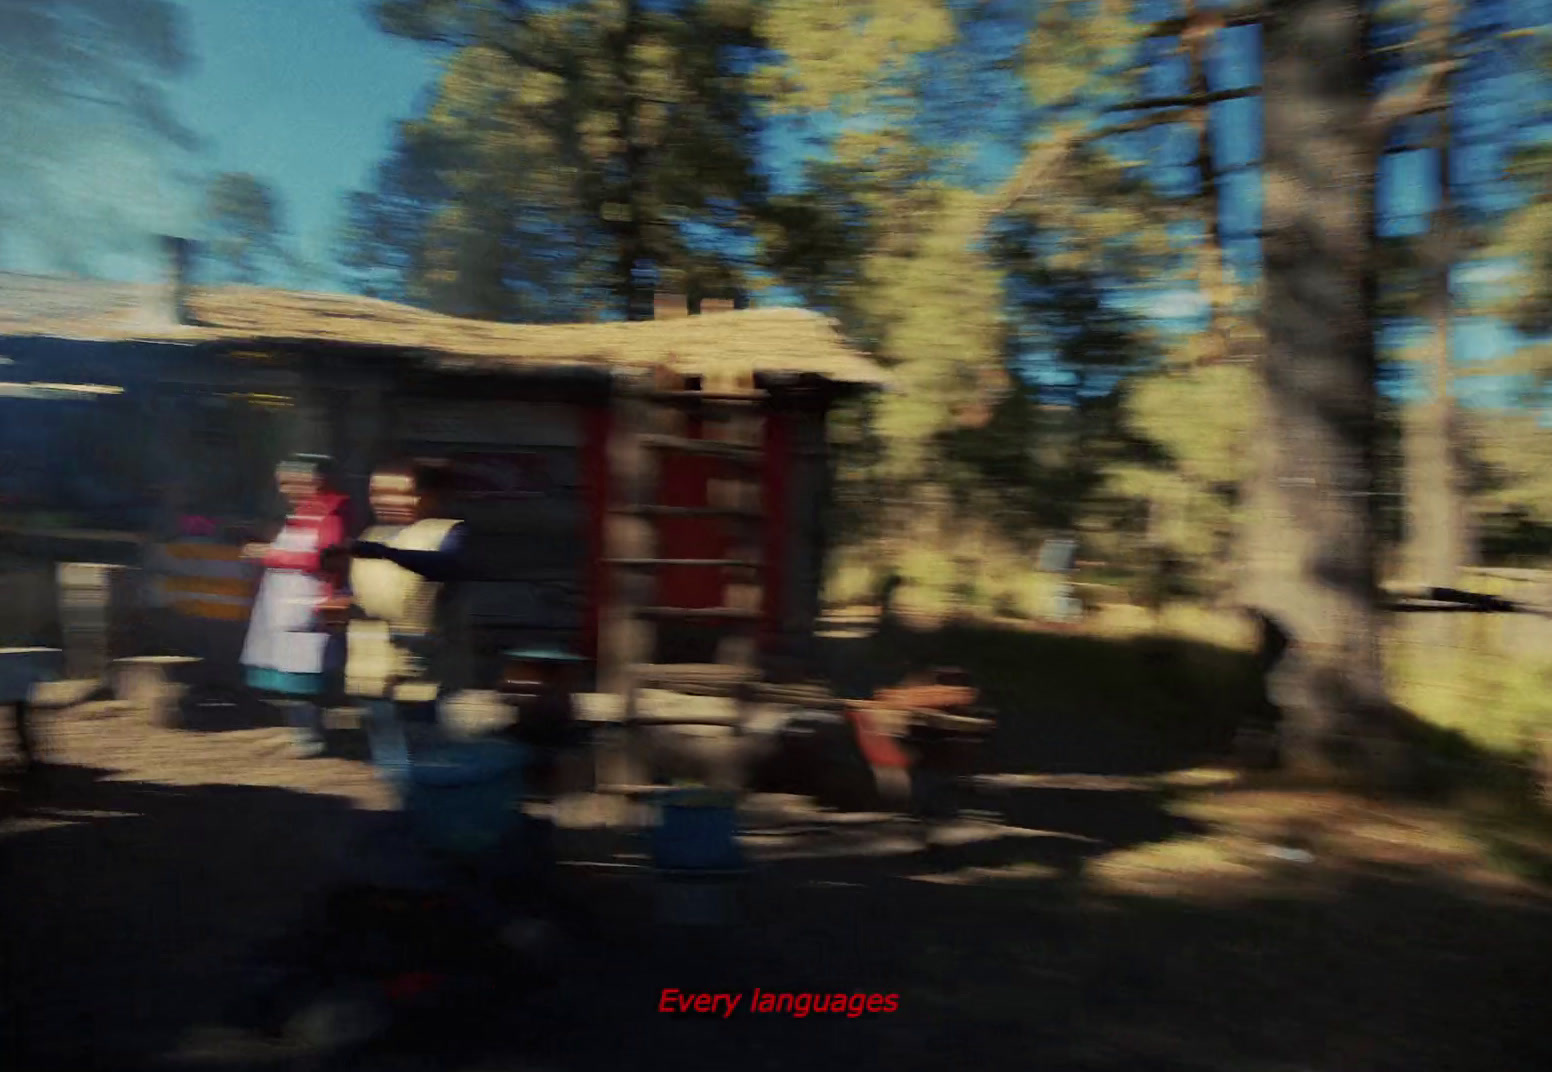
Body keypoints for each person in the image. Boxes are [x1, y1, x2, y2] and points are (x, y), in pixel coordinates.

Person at [330, 460, 471, 766]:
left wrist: (387, 553)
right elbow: (368, 584)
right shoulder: (371, 534)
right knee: (389, 751)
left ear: (427, 496)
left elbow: (443, 566)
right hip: (369, 664)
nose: (387, 500)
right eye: (378, 492)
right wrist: (342, 601)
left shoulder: (447, 532)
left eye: (401, 493)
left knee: (425, 748)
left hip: (420, 664)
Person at [239, 455, 353, 757]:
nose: (285, 489)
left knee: (302, 675)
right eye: (282, 483)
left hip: (307, 606)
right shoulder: (302, 515)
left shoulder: (331, 516)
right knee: (285, 673)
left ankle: (310, 737)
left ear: (313, 481)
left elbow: (325, 559)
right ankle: (296, 731)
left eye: (291, 482)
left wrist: (271, 555)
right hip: (284, 607)